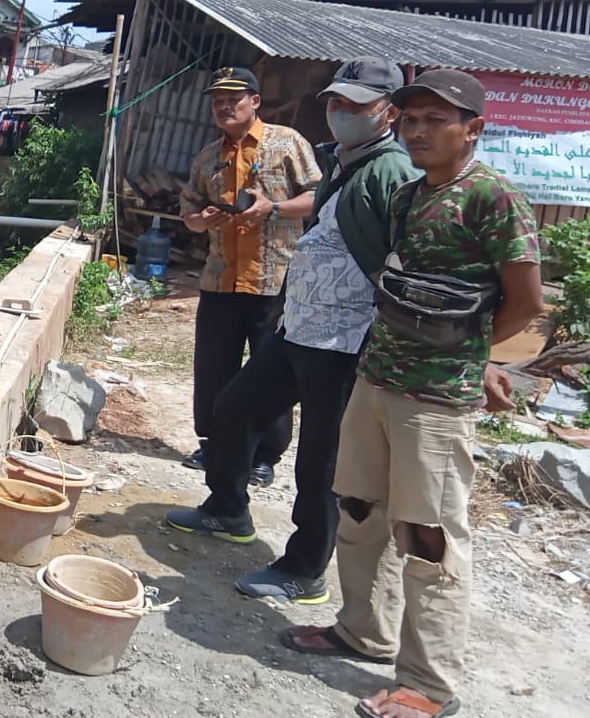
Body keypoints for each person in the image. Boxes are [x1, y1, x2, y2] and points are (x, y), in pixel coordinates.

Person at [279, 69, 544, 718]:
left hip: (436, 404)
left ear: (472, 130)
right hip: (376, 379)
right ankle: (362, 630)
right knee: (361, 512)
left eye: (436, 120)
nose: (418, 130)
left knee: (428, 539)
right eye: (410, 118)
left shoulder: (493, 199)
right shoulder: (407, 194)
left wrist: (473, 358)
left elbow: (526, 304)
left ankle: (428, 686)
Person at [166, 58, 420, 606]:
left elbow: (402, 261)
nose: (340, 114)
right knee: (233, 403)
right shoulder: (345, 162)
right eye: (335, 102)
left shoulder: (390, 172)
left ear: (389, 113)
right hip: (300, 324)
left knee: (322, 459)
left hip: (344, 338)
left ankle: (305, 569)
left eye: (356, 106)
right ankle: (227, 509)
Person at [179, 67, 320, 482]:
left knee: (270, 372)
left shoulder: (287, 143)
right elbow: (188, 209)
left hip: (273, 283)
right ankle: (214, 445)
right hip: (220, 279)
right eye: (217, 101)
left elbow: (318, 196)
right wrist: (201, 221)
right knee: (212, 370)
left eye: (233, 99)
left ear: (255, 102)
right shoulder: (207, 156)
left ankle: (264, 455)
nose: (224, 107)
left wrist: (272, 208)